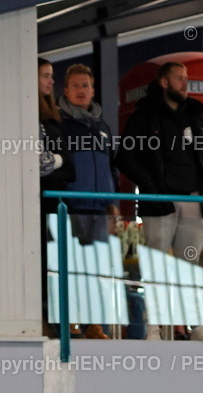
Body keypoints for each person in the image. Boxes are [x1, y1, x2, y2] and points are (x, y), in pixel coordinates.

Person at [115, 62, 203, 342]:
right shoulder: (144, 115)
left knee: (191, 266)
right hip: (159, 203)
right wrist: (150, 187)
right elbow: (124, 156)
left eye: (186, 78)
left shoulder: (196, 115)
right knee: (156, 268)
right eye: (179, 78)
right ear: (164, 82)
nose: (186, 83)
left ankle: (196, 327)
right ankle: (154, 329)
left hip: (193, 201)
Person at [58, 63, 118, 340]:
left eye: (85, 85)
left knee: (97, 271)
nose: (81, 90)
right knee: (68, 269)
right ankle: (69, 322)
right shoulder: (58, 123)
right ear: (66, 90)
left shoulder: (102, 126)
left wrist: (113, 201)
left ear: (93, 90)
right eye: (76, 86)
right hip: (69, 207)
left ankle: (94, 325)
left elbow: (110, 166)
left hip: (99, 210)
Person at [38, 58, 75, 334]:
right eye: (46, 76)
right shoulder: (32, 115)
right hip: (42, 204)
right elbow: (42, 165)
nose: (52, 82)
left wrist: (60, 162)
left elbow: (62, 167)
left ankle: (62, 321)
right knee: (43, 266)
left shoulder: (53, 116)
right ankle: (45, 321)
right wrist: (63, 161)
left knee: (59, 265)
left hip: (58, 203)